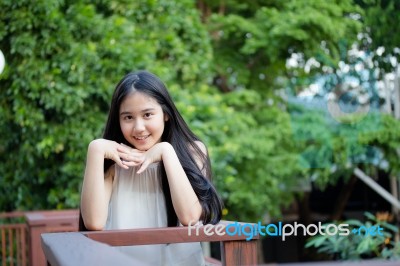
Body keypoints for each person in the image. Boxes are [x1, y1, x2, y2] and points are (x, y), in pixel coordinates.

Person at [79, 70, 223, 265]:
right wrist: (95, 150)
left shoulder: (193, 151)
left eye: (147, 114)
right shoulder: (116, 163)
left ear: (165, 114)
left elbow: (189, 217)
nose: (138, 127)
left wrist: (167, 152)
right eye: (128, 117)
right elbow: (94, 222)